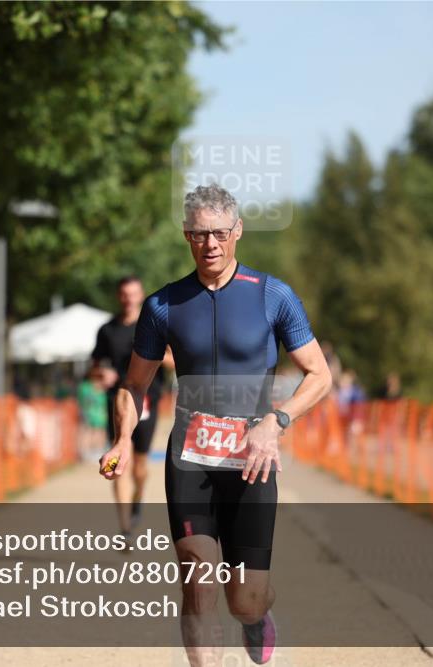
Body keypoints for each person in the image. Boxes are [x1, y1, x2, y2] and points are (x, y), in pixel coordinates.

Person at [98, 183, 332, 666]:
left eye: (220, 233)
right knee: (197, 577)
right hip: (190, 457)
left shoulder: (273, 295)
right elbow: (133, 384)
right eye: (199, 234)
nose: (210, 244)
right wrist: (122, 438)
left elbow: (320, 375)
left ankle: (256, 616)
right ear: (186, 235)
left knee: (243, 599)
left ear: (237, 231)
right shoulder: (163, 306)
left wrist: (276, 421)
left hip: (252, 461)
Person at [91, 276, 170, 537]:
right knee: (118, 456)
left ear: (141, 295)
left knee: (139, 464)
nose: (129, 299)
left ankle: (138, 498)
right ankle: (125, 525)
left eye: (133, 293)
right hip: (117, 401)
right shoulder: (107, 330)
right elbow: (95, 366)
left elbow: (174, 359)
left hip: (148, 400)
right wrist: (103, 375)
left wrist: (152, 360)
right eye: (124, 294)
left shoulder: (153, 326)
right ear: (119, 296)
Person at [76, 372, 108, 461]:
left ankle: (96, 451)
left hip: (99, 415)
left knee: (99, 433)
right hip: (88, 414)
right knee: (87, 432)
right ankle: (85, 453)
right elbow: (82, 401)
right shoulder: (85, 387)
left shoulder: (102, 389)